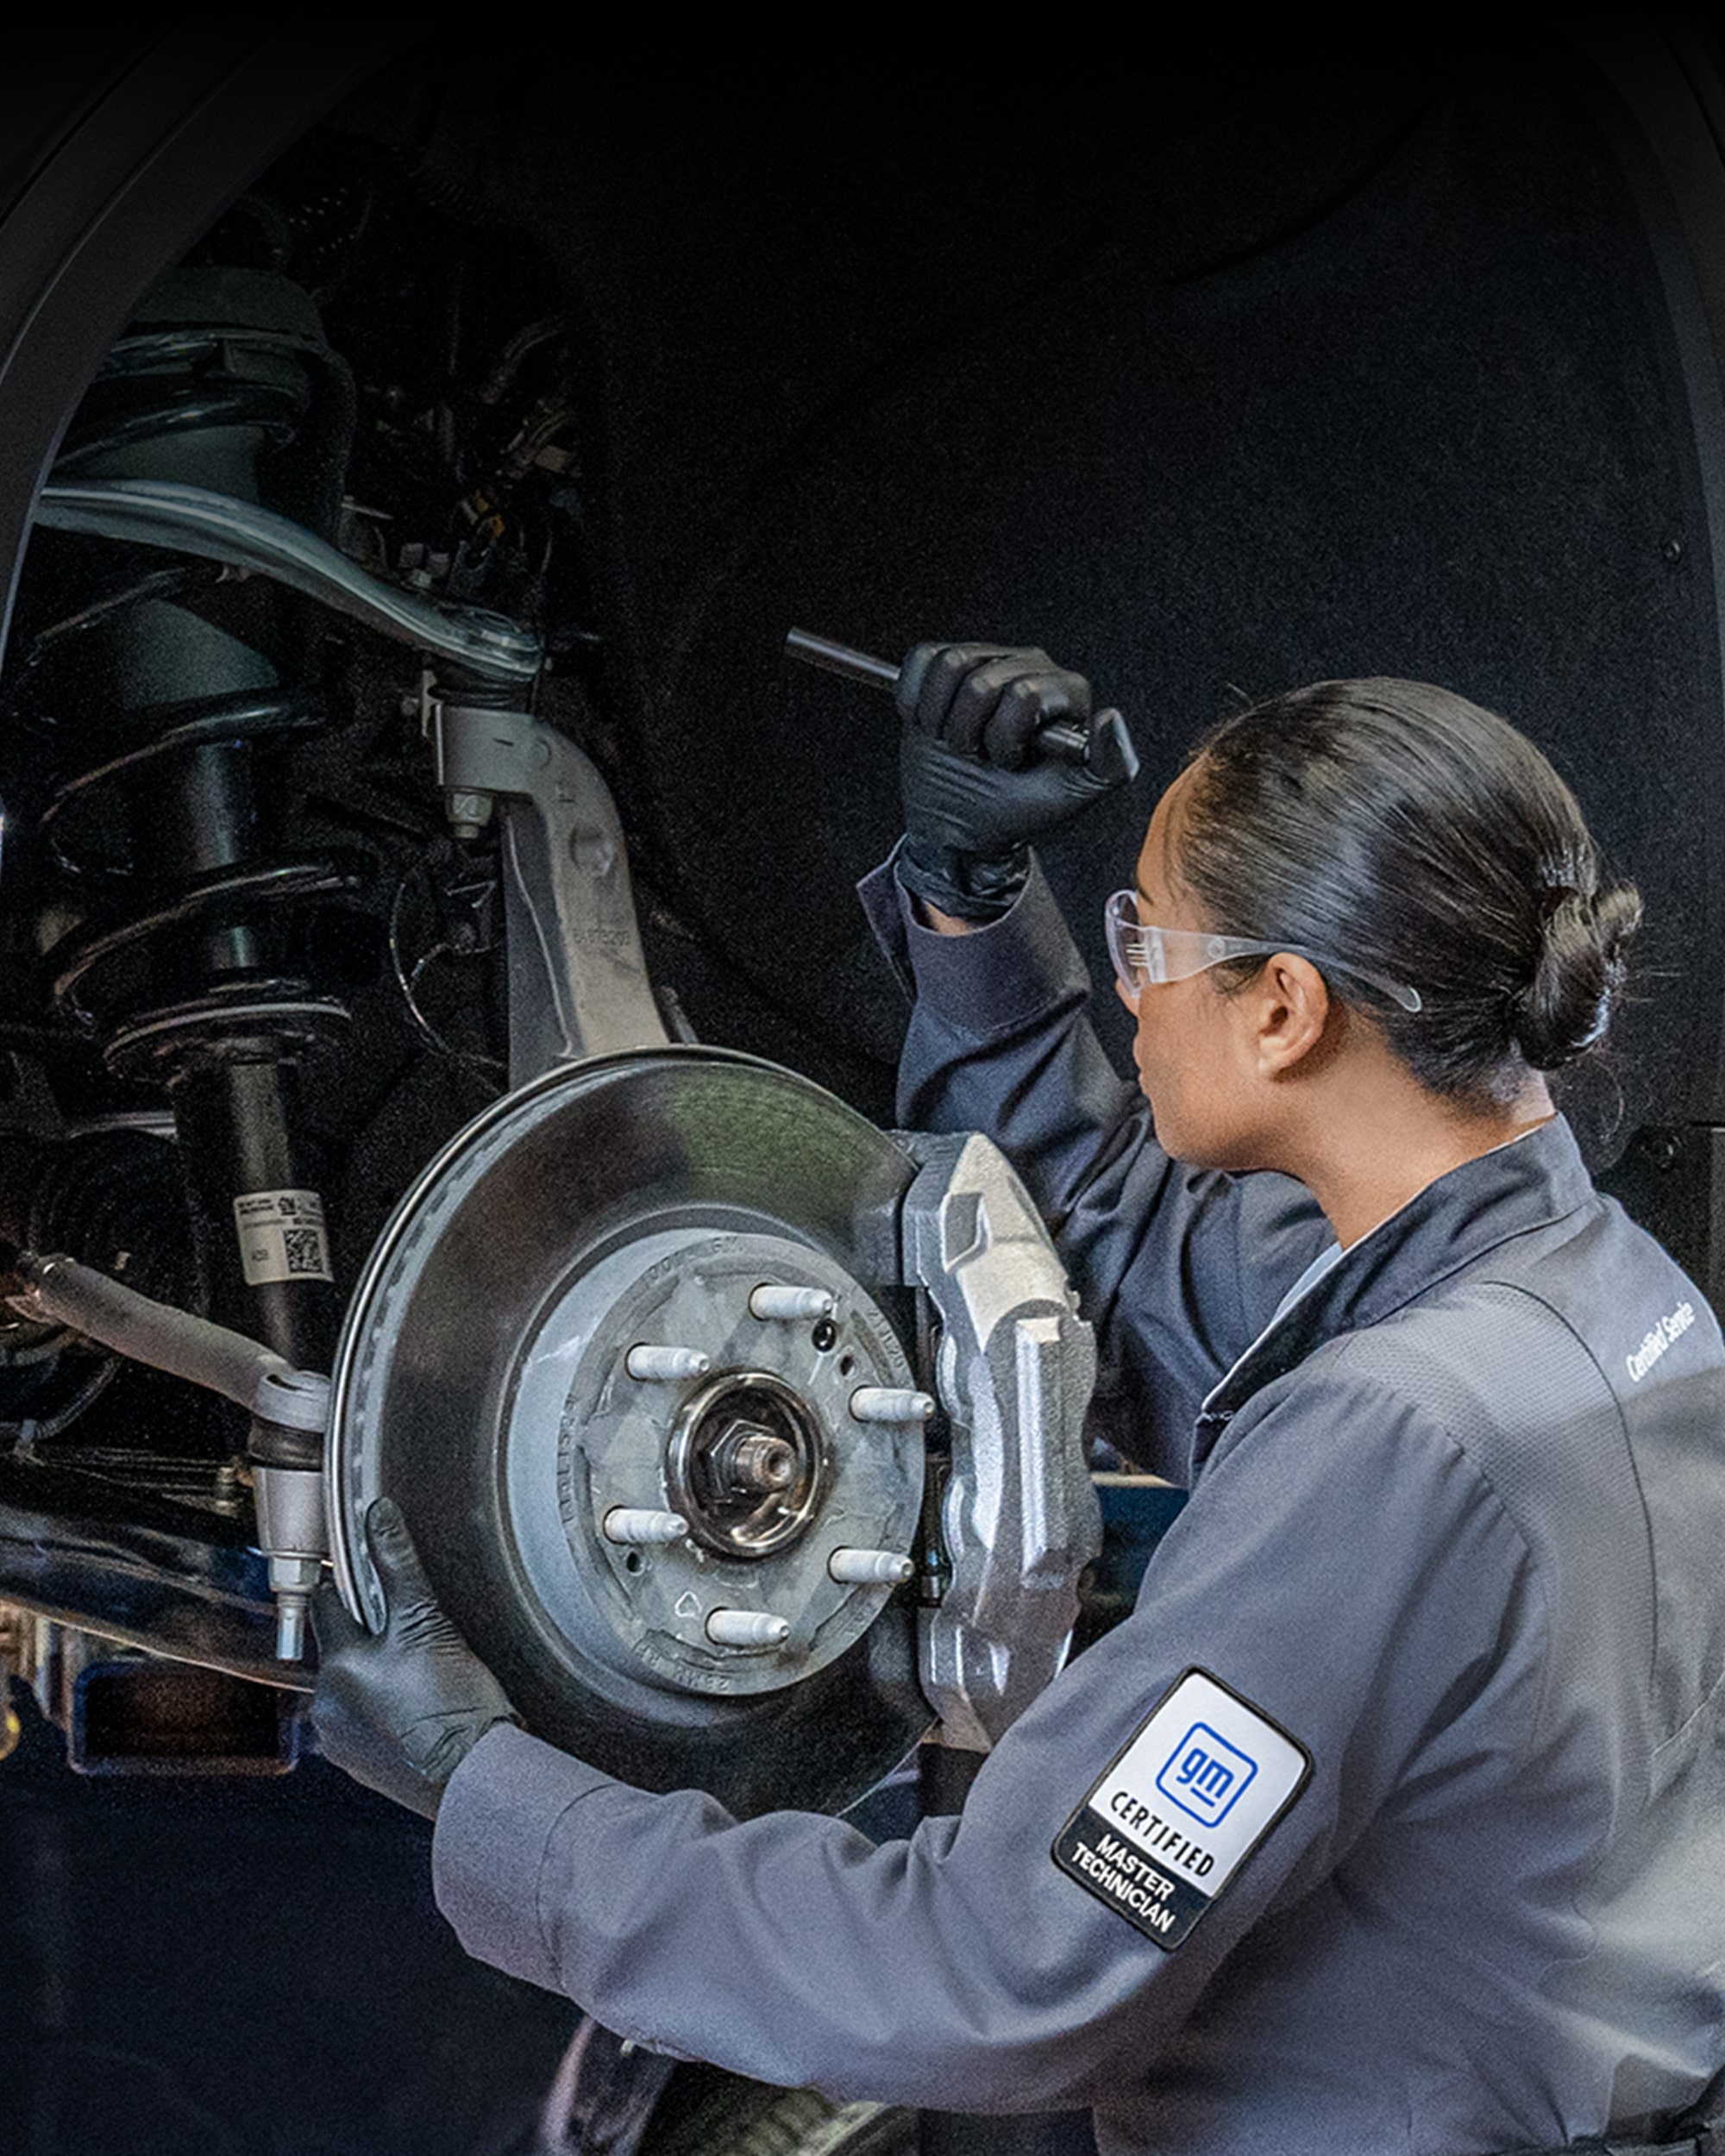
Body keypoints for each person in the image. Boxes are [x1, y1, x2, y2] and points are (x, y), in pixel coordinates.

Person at [313, 647, 1725, 2156]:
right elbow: (1113, 1244)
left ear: (1283, 1010)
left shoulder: (1397, 1438)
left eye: (1148, 943)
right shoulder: (1609, 1301)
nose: (1128, 989)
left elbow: (992, 1977)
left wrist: (493, 1795)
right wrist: (970, 900)